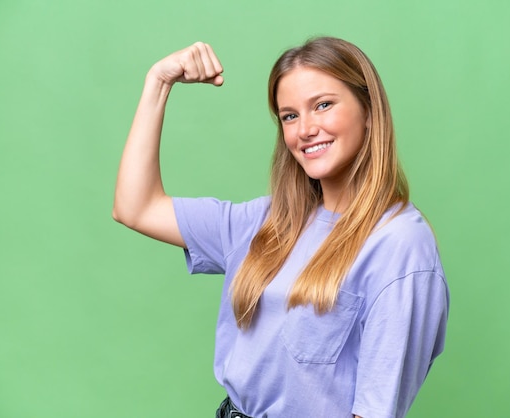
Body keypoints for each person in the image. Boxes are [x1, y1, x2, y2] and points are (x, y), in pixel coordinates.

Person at [113, 36, 449, 418]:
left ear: (369, 111)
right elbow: (135, 207)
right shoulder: (265, 222)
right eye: (290, 115)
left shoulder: (400, 244)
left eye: (322, 105)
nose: (305, 129)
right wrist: (158, 81)